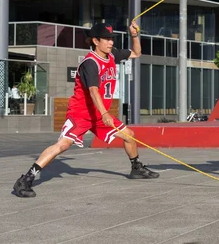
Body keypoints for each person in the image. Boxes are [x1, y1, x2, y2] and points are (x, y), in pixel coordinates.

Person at [12, 22, 159, 198]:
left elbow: (136, 53)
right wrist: (105, 113)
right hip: (81, 114)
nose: (111, 42)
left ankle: (136, 168)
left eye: (111, 39)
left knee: (129, 135)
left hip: (98, 114)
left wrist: (134, 35)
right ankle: (26, 179)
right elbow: (93, 90)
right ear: (96, 41)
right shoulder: (90, 63)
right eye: (106, 39)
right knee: (63, 145)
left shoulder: (112, 55)